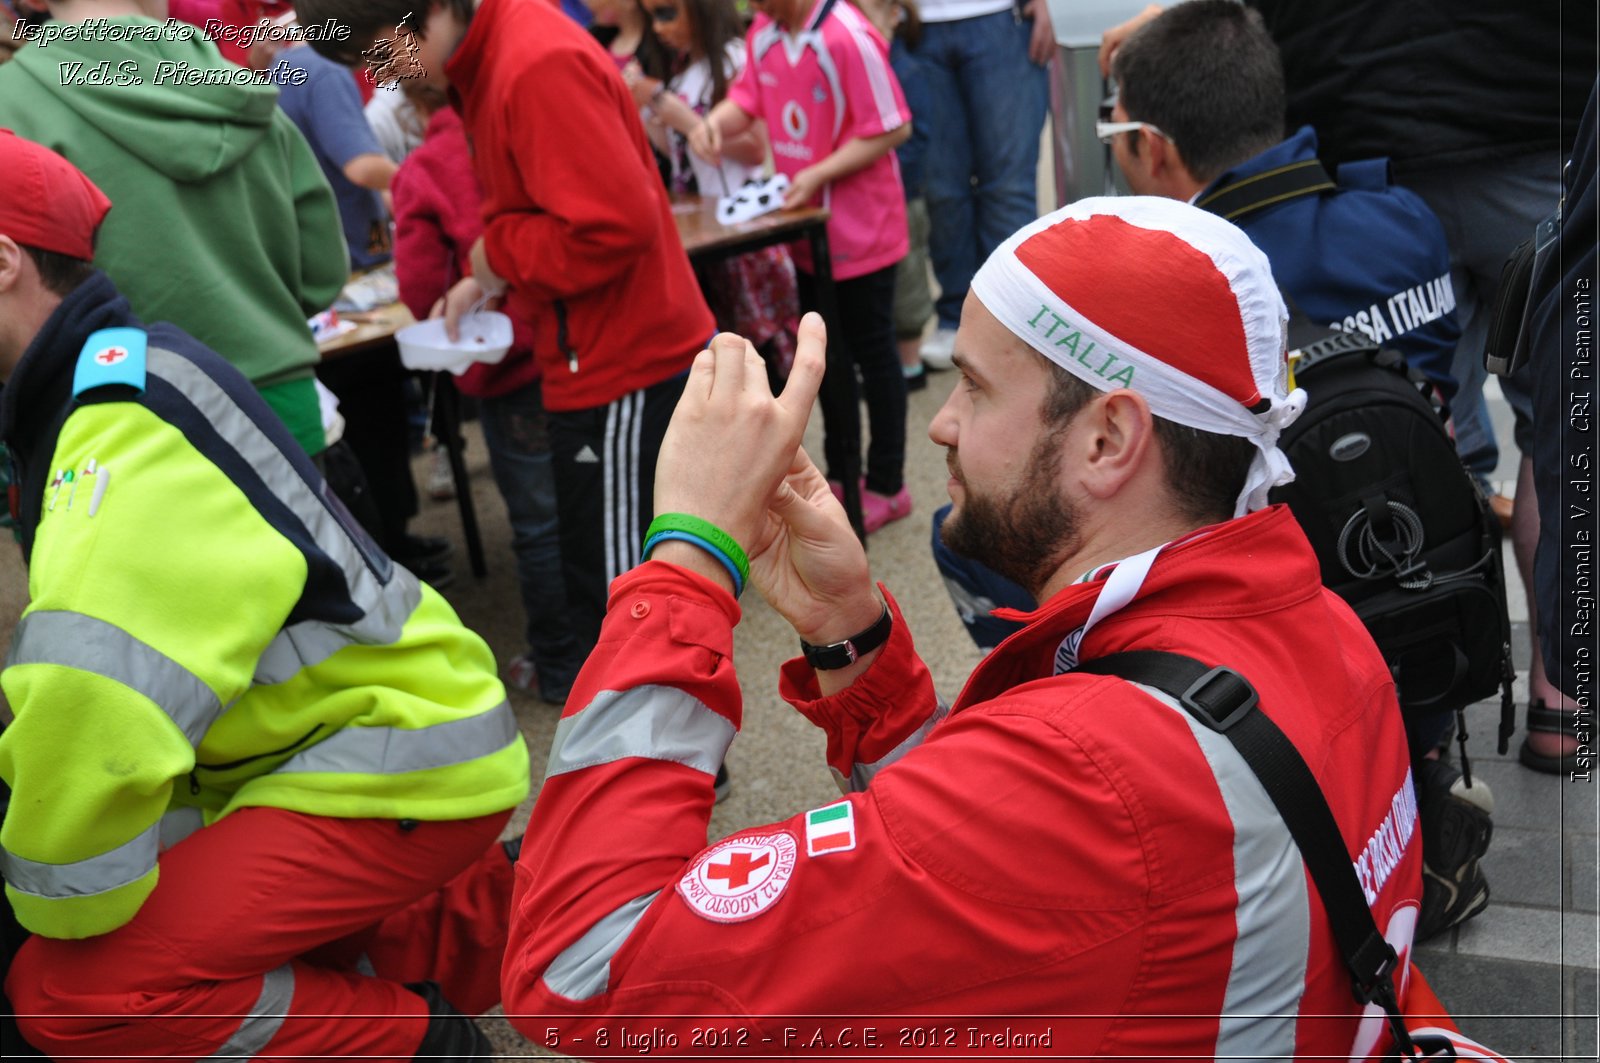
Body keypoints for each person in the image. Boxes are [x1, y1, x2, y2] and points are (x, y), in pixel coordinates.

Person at [499, 195, 1427, 1059]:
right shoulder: (1321, 623)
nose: (940, 423)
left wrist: (689, 561)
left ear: (1108, 440)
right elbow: (1021, 891)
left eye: (976, 389)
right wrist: (851, 634)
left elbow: (584, 968)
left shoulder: (1098, 775)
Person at [0, 130, 529, 1062]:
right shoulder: (118, 376)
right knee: (205, 923)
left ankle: (427, 1045)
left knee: (72, 992)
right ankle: (475, 933)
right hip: (366, 740)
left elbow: (95, 713)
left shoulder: (115, 430)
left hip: (383, 755)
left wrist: (59, 909)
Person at [299, 0, 716, 660]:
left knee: (627, 607)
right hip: (589, 355)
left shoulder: (531, 63)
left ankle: (660, 758)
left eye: (378, 52)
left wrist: (497, 254)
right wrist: (486, 273)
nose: (383, 76)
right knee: (604, 591)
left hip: (621, 360)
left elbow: (613, 226)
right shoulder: (491, 55)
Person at [0, 0, 346, 460]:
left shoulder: (12, 103)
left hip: (121, 426)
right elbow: (322, 270)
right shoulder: (234, 85)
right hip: (278, 410)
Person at [390, 80, 587, 705]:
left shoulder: (424, 168)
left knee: (538, 524)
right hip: (581, 343)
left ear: (413, 109)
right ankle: (631, 652)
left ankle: (562, 666)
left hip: (509, 368)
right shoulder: (518, 130)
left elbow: (420, 284)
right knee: (600, 501)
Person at [691, 0, 915, 533]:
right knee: (824, 356)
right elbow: (748, 95)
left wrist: (817, 174)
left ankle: (887, 482)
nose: (749, 7)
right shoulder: (765, 33)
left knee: (873, 353)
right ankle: (842, 475)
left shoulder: (845, 34)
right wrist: (714, 123)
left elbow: (892, 127)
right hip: (806, 233)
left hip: (863, 231)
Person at [632, 0, 800, 385]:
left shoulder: (733, 59)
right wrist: (645, 107)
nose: (658, 28)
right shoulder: (682, 68)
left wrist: (683, 117)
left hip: (743, 232)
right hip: (702, 232)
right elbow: (676, 151)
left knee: (763, 362)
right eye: (652, 17)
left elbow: (757, 146)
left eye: (666, 13)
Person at [913, 0, 1053, 371]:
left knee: (1008, 186)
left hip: (1002, 16)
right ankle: (956, 315)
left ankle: (1016, 320)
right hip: (916, 24)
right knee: (941, 190)